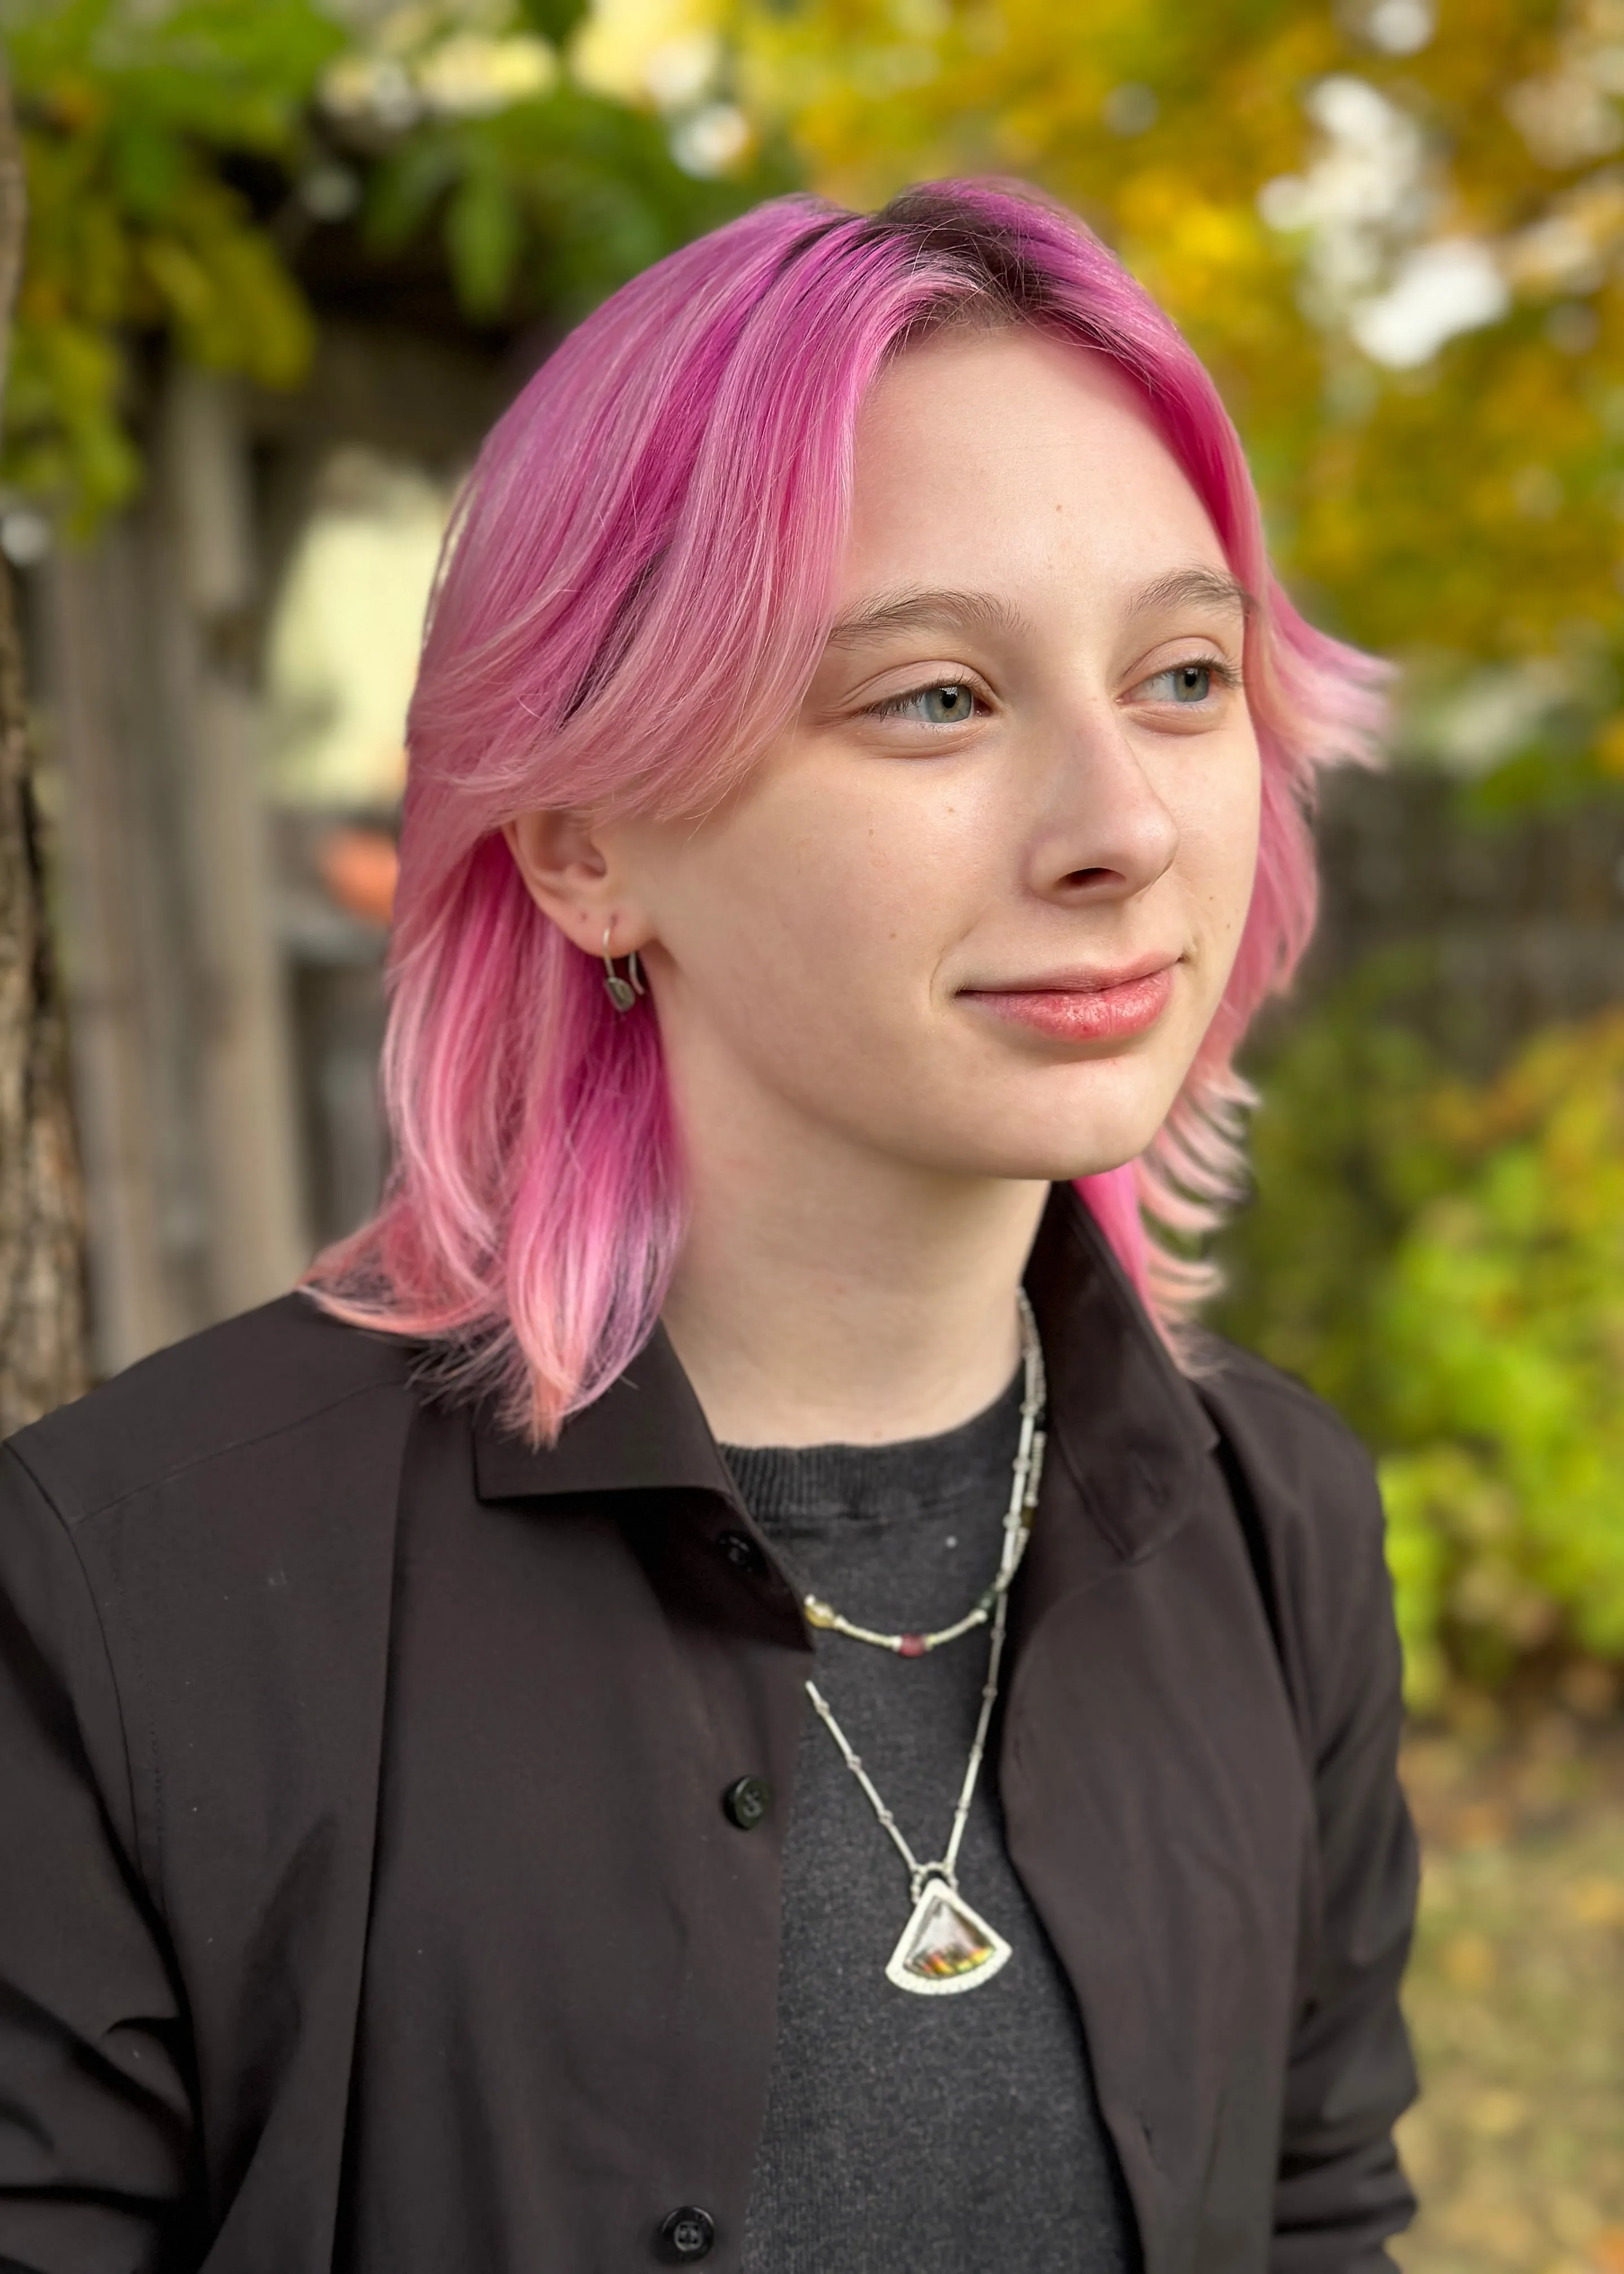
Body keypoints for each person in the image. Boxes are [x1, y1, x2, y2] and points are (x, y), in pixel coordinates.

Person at [0, 180, 1418, 2273]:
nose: (1121, 827)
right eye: (934, 698)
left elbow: (1317, 2219)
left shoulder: (1276, 1524)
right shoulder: (129, 1596)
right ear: (583, 846)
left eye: (1185, 675)